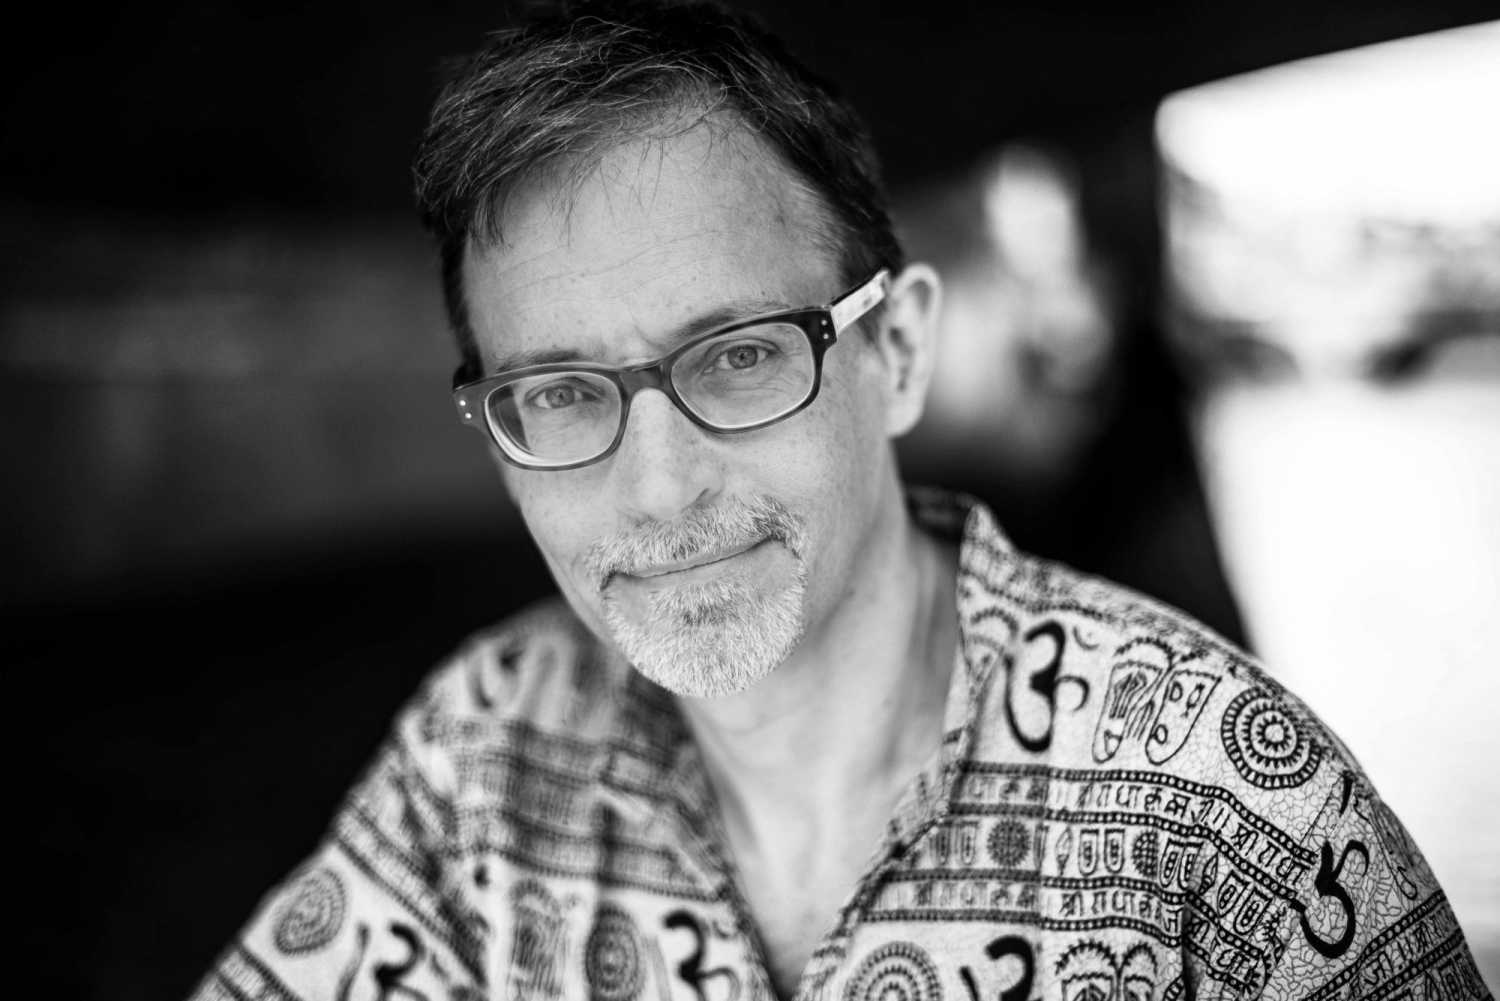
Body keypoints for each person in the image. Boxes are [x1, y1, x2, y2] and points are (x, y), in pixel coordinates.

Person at [189, 2, 1492, 999]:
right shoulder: (484, 751)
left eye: (740, 357)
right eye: (564, 393)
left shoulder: (1228, 812)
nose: (658, 490)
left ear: (898, 353)